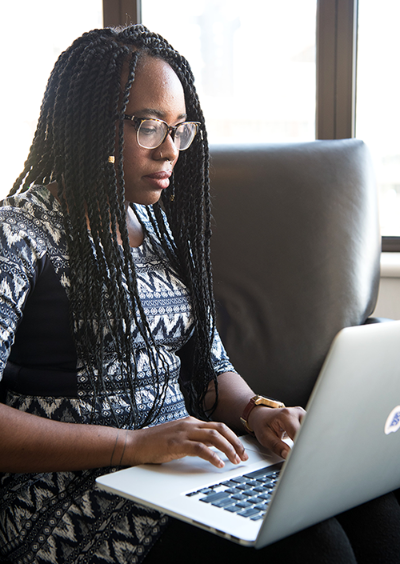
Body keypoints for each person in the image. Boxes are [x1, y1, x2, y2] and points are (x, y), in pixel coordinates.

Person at [0, 24, 399, 564]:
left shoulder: (160, 230)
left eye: (178, 130)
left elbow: (209, 367)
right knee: (314, 549)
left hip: (175, 474)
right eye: (148, 127)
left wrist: (259, 411)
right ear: (86, 123)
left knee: (377, 508)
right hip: (71, 496)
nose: (170, 150)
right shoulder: (18, 234)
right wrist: (132, 444)